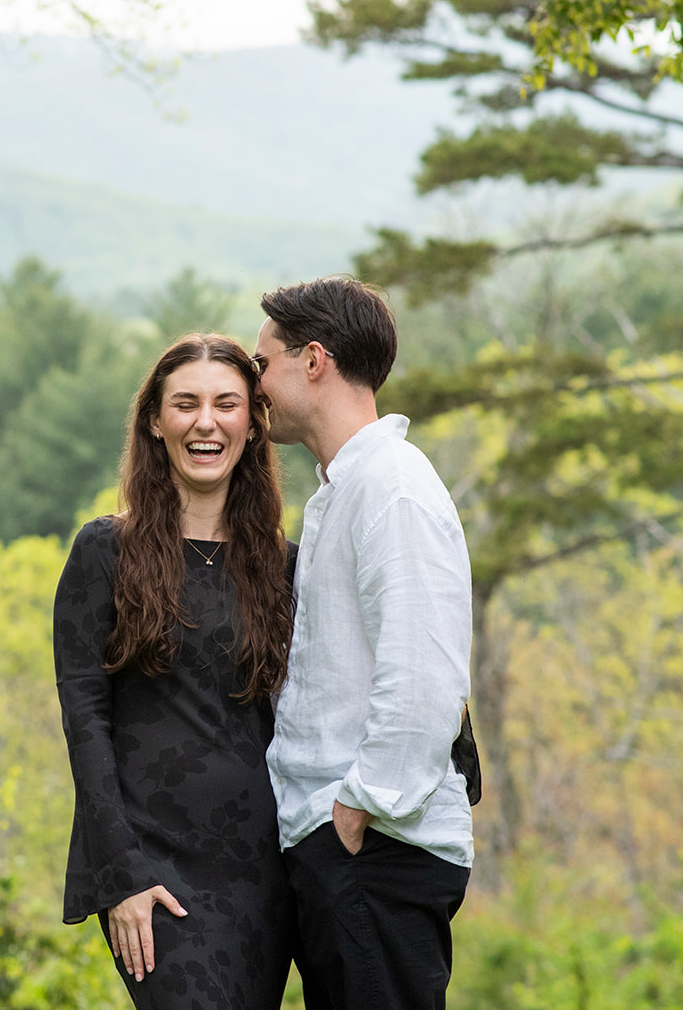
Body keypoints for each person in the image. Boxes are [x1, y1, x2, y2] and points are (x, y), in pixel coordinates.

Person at [53, 333, 298, 1009]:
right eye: (185, 404)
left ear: (252, 424)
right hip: (152, 867)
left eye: (226, 404)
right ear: (155, 423)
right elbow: (85, 717)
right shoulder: (105, 551)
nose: (205, 421)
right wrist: (121, 873)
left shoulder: (287, 566)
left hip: (263, 870)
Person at [255, 277, 474, 1010]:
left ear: (312, 360)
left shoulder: (393, 485)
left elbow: (423, 679)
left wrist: (357, 809)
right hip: (348, 847)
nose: (257, 384)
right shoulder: (343, 490)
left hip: (374, 848)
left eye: (264, 364)